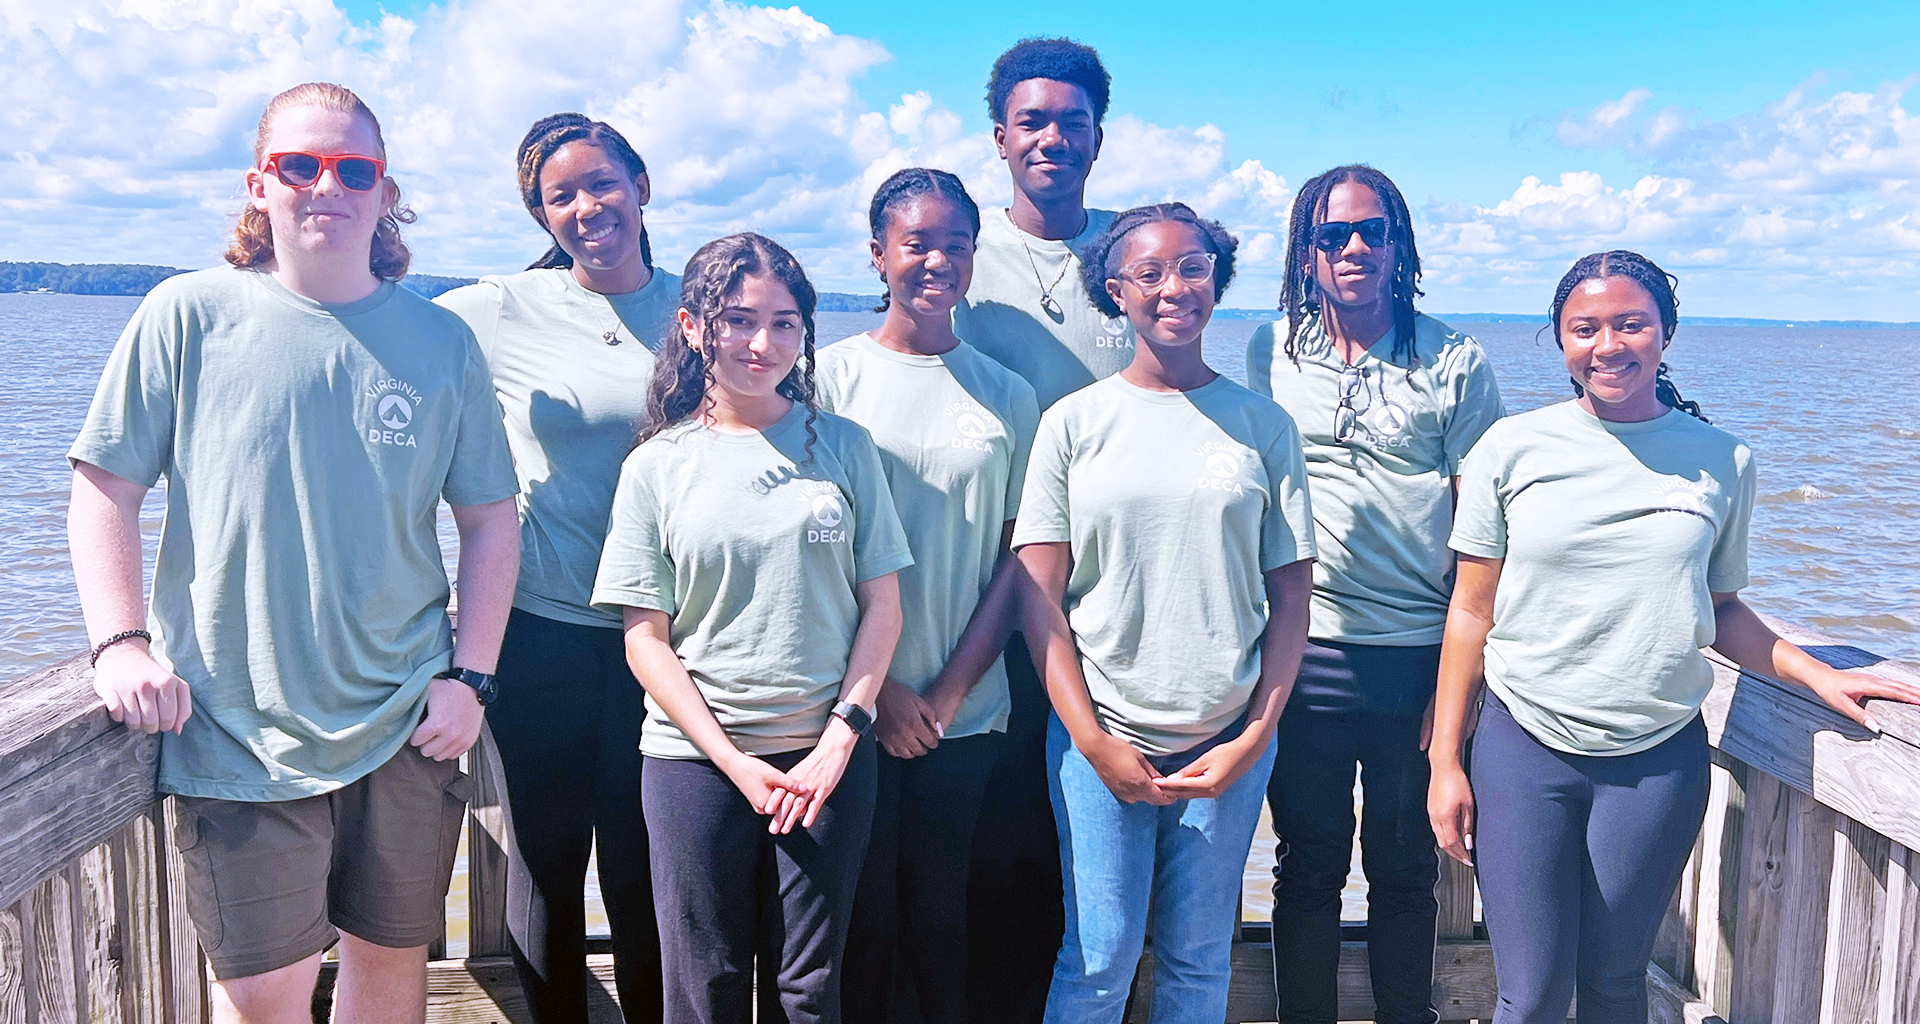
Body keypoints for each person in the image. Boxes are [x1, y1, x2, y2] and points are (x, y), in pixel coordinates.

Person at [67, 82, 520, 1024]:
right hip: (236, 725)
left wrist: (469, 678)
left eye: (356, 170)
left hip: (406, 714)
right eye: (301, 165)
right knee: (263, 1003)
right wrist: (119, 643)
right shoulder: (184, 314)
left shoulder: (442, 342)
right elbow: (104, 486)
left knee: (391, 972)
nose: (328, 186)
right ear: (258, 184)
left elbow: (489, 519)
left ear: (384, 192)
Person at [1426, 251, 1920, 1024]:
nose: (1608, 344)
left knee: (1618, 985)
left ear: (1666, 334)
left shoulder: (1722, 459)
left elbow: (1719, 607)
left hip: (1656, 760)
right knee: (1532, 994)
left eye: (1631, 323)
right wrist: (1446, 759)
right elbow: (1470, 612)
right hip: (1523, 747)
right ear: (1560, 341)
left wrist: (1814, 673)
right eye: (1584, 328)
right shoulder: (1510, 449)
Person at [591, 232, 910, 1024]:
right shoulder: (657, 465)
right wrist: (731, 760)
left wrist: (841, 737)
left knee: (810, 990)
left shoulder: (843, 447)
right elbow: (645, 637)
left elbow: (884, 606)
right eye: (738, 320)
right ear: (695, 327)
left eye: (785, 323)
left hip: (826, 760)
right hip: (695, 764)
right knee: (707, 987)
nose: (762, 343)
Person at [1015, 203, 1315, 1024]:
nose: (1173, 287)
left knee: (1197, 960)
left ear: (1216, 278)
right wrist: (1091, 739)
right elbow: (1037, 595)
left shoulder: (1263, 425)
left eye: (1192, 267)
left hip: (1227, 738)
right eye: (1148, 273)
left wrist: (1254, 737)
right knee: (1097, 962)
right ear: (1117, 291)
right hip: (1101, 731)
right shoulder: (1072, 424)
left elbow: (1292, 595)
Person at [1243, 165, 1503, 1024]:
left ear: (1400, 246)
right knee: (1308, 864)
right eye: (1331, 234)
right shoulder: (1267, 350)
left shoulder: (1455, 358)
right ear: (1304, 253)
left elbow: (1486, 533)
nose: (1353, 247)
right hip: (1303, 652)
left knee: (1404, 869)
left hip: (1417, 661)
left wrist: (1456, 687)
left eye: (1372, 231)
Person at [436, 113, 676, 1024]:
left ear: (641, 186)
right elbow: (379, 342)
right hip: (539, 633)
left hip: (672, 638)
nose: (585, 207)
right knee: (546, 862)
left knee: (652, 863)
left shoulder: (701, 302)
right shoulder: (495, 309)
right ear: (540, 215)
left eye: (602, 183)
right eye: (558, 196)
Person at [819, 168, 1040, 1024]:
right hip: (846, 712)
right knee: (859, 927)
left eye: (956, 245)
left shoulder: (1006, 395)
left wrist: (945, 694)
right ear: (878, 256)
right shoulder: (826, 380)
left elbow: (1018, 561)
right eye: (917, 243)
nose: (937, 261)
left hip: (969, 711)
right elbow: (811, 556)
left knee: (950, 924)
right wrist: (880, 693)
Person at [954, 38, 1127, 1020]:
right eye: (1034, 121)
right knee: (992, 833)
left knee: (1089, 849)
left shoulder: (1137, 258)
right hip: (979, 598)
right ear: (1000, 138)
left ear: (1099, 135)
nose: (1053, 137)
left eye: (1073, 120)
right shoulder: (961, 261)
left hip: (1107, 610)